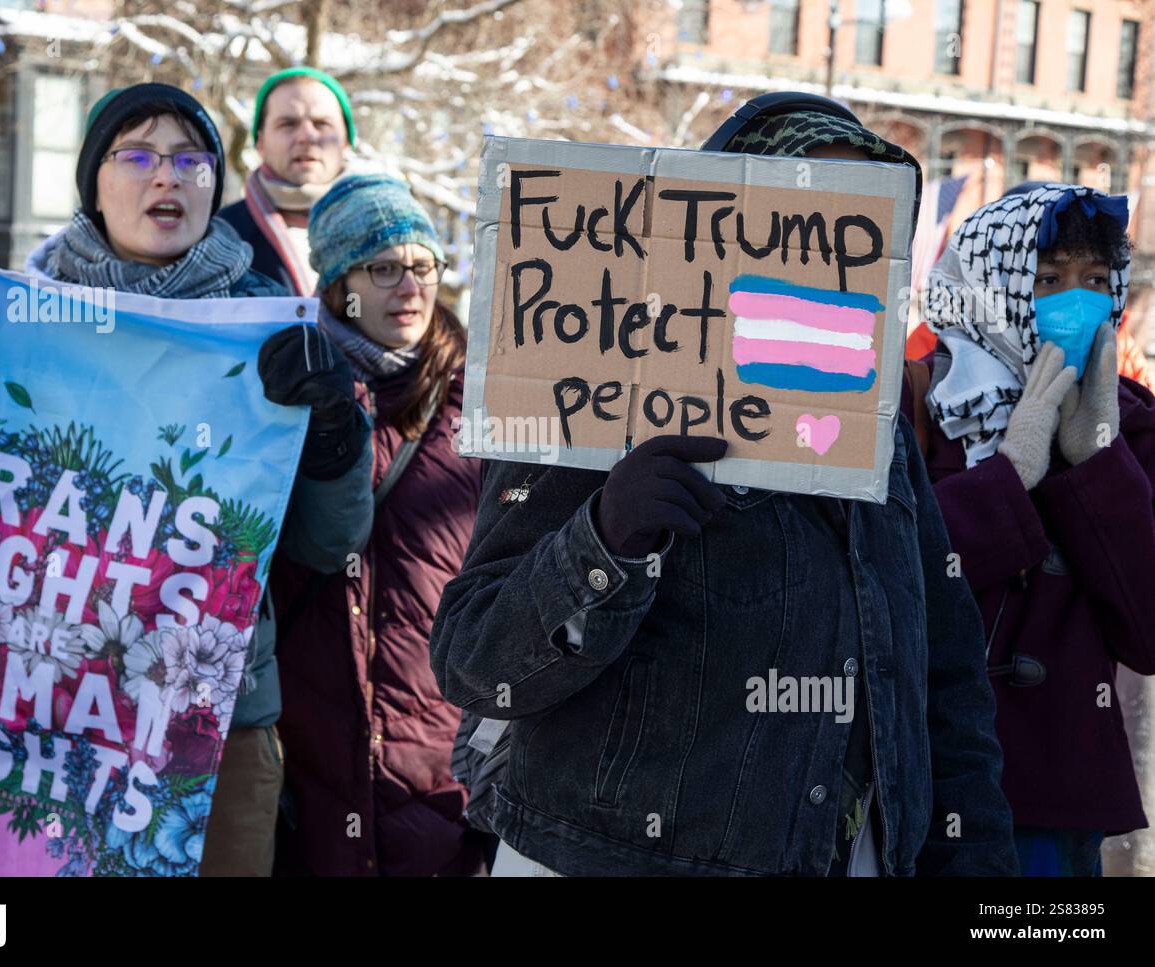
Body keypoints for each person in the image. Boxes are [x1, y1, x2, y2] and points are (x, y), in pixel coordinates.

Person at [428, 93, 1018, 877]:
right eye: (803, 206)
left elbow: (940, 678)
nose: (831, 240)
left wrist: (974, 862)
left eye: (861, 218)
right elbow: (474, 659)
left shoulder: (878, 428)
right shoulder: (606, 383)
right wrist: (604, 539)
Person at [0, 83, 374, 875]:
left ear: (217, 179)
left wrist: (333, 433)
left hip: (214, 736)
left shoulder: (273, 331)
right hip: (36, 716)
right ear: (94, 183)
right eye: (136, 155)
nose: (165, 179)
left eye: (189, 159)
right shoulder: (25, 321)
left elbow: (331, 540)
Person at [910, 183, 1155, 876]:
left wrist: (1099, 461)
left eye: (1095, 279)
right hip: (916, 785)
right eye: (1048, 278)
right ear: (995, 280)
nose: (1074, 300)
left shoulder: (1133, 422)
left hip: (1054, 816)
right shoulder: (918, 403)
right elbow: (892, 580)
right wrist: (1009, 473)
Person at [270, 174, 485, 876]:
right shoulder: (284, 391)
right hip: (307, 752)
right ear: (338, 284)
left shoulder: (481, 405)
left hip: (438, 763)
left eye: (423, 265)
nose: (410, 286)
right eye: (384, 267)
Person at [219, 67, 358, 296]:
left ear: (346, 141)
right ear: (260, 142)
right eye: (288, 124)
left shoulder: (383, 232)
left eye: (322, 123)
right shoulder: (222, 237)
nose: (306, 136)